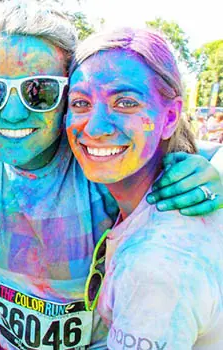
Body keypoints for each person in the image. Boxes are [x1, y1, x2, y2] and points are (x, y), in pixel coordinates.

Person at [0, 2, 223, 348]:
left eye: (40, 91)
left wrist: (212, 175)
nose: (11, 114)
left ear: (69, 91)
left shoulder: (98, 164)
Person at [66, 27, 223, 348]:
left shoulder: (156, 263)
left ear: (169, 117)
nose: (94, 128)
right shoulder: (137, 201)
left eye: (125, 102)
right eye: (80, 103)